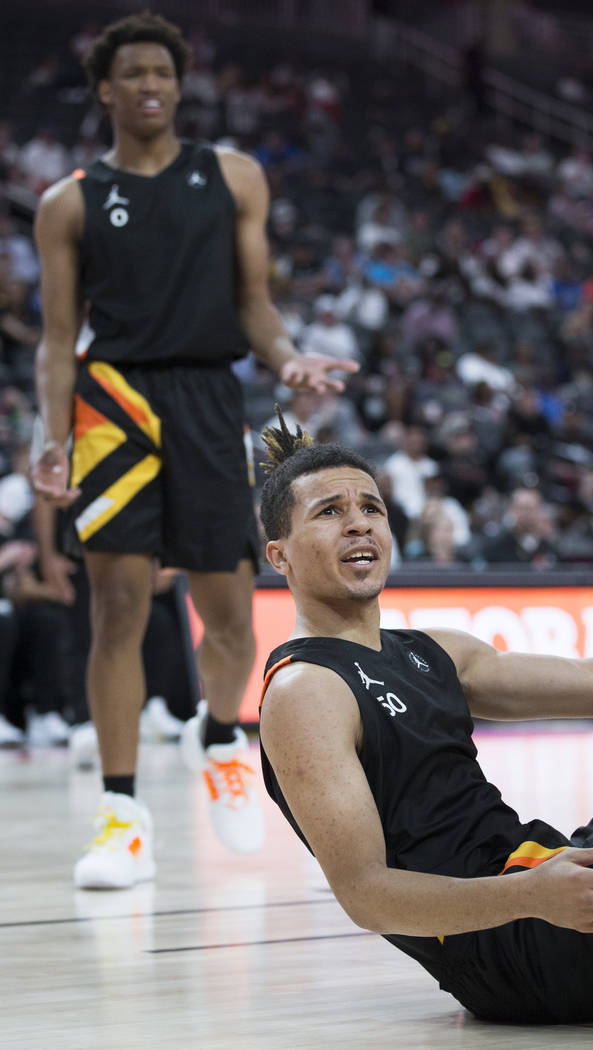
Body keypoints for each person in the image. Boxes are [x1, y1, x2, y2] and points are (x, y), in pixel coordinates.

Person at [256, 415, 593, 1024]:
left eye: (371, 506)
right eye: (328, 512)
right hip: (512, 940)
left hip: (545, 876)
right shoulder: (304, 689)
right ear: (278, 556)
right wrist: (531, 896)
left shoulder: (431, 650)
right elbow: (367, 895)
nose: (358, 521)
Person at [31, 13, 357, 891]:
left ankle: (218, 737)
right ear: (105, 89)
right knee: (117, 607)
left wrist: (287, 358)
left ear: (179, 87)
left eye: (163, 74)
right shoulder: (69, 202)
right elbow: (57, 341)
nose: (149, 85)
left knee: (225, 609)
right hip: (114, 402)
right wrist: (48, 437)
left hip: (211, 396)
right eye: (132, 73)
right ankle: (121, 815)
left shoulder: (232, 178)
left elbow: (253, 300)